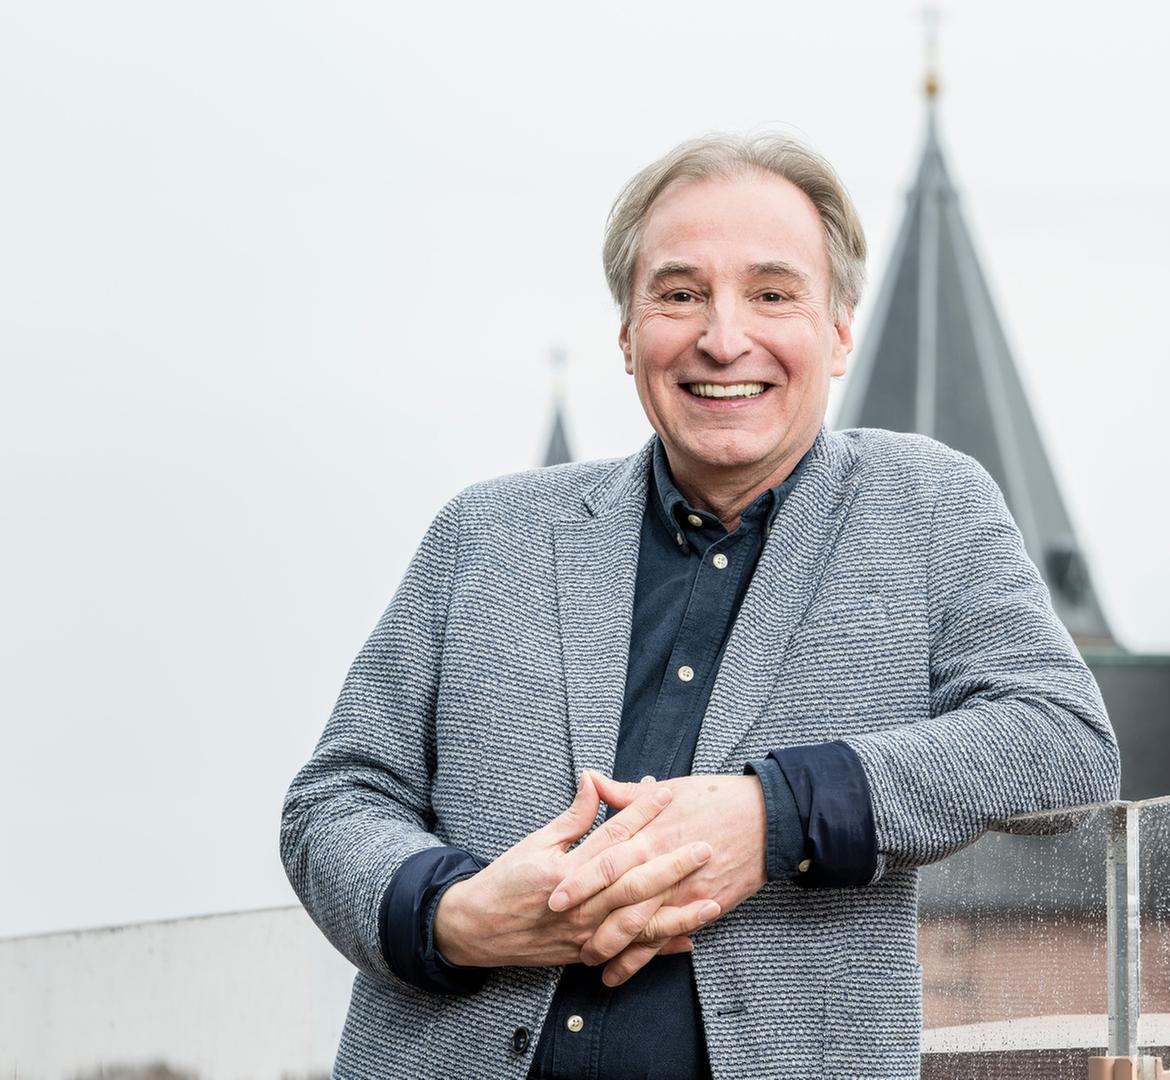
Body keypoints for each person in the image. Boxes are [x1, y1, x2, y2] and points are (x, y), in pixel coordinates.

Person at [279, 132, 1121, 1080]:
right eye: (679, 295)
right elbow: (332, 802)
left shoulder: (930, 505)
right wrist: (454, 916)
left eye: (772, 293)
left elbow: (1064, 743)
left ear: (840, 329)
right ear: (629, 333)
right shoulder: (485, 534)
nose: (724, 338)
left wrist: (773, 818)